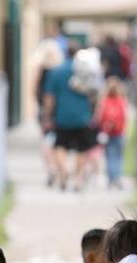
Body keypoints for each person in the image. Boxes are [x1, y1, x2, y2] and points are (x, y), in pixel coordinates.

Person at [42, 41, 95, 191]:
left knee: (60, 146)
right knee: (81, 148)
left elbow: (49, 96)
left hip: (62, 116)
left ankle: (64, 171)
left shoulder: (56, 71)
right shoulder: (85, 70)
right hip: (82, 116)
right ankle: (78, 179)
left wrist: (47, 114)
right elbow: (93, 92)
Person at [34, 40, 65, 186]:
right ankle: (59, 168)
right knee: (58, 142)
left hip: (45, 111)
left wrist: (43, 110)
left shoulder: (41, 71)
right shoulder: (60, 71)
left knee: (46, 141)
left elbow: (35, 91)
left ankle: (51, 167)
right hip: (58, 110)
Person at [97, 77, 128, 189]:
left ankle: (111, 179)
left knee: (109, 156)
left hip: (107, 133)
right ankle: (117, 177)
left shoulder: (104, 102)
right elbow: (125, 117)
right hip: (119, 132)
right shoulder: (122, 101)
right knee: (119, 156)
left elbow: (99, 117)